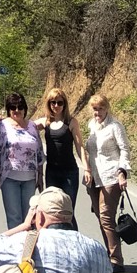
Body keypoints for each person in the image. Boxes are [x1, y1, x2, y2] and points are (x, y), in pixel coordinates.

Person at [83, 91, 132, 271]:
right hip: (94, 177)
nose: (98, 112)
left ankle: (116, 260)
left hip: (111, 176)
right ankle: (110, 254)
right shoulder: (91, 125)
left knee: (106, 216)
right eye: (95, 109)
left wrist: (122, 172)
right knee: (100, 216)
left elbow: (125, 149)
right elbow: (88, 150)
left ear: (107, 108)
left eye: (101, 108)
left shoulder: (115, 126)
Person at [34, 87, 88, 230]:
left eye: (59, 102)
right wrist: (5, 121)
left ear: (65, 104)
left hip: (69, 173)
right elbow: (24, 126)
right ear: (48, 104)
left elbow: (80, 146)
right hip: (52, 173)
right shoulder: (45, 122)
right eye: (53, 102)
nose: (56, 106)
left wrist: (87, 169)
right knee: (52, 211)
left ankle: (74, 244)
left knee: (67, 212)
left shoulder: (71, 122)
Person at [0, 92, 44, 230]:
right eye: (13, 107)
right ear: (8, 110)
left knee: (30, 216)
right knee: (14, 217)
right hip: (9, 178)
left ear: (25, 109)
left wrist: (40, 177)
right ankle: (16, 250)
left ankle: (29, 249)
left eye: (20, 107)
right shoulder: (1, 127)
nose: (16, 110)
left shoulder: (32, 126)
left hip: (30, 178)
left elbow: (39, 153)